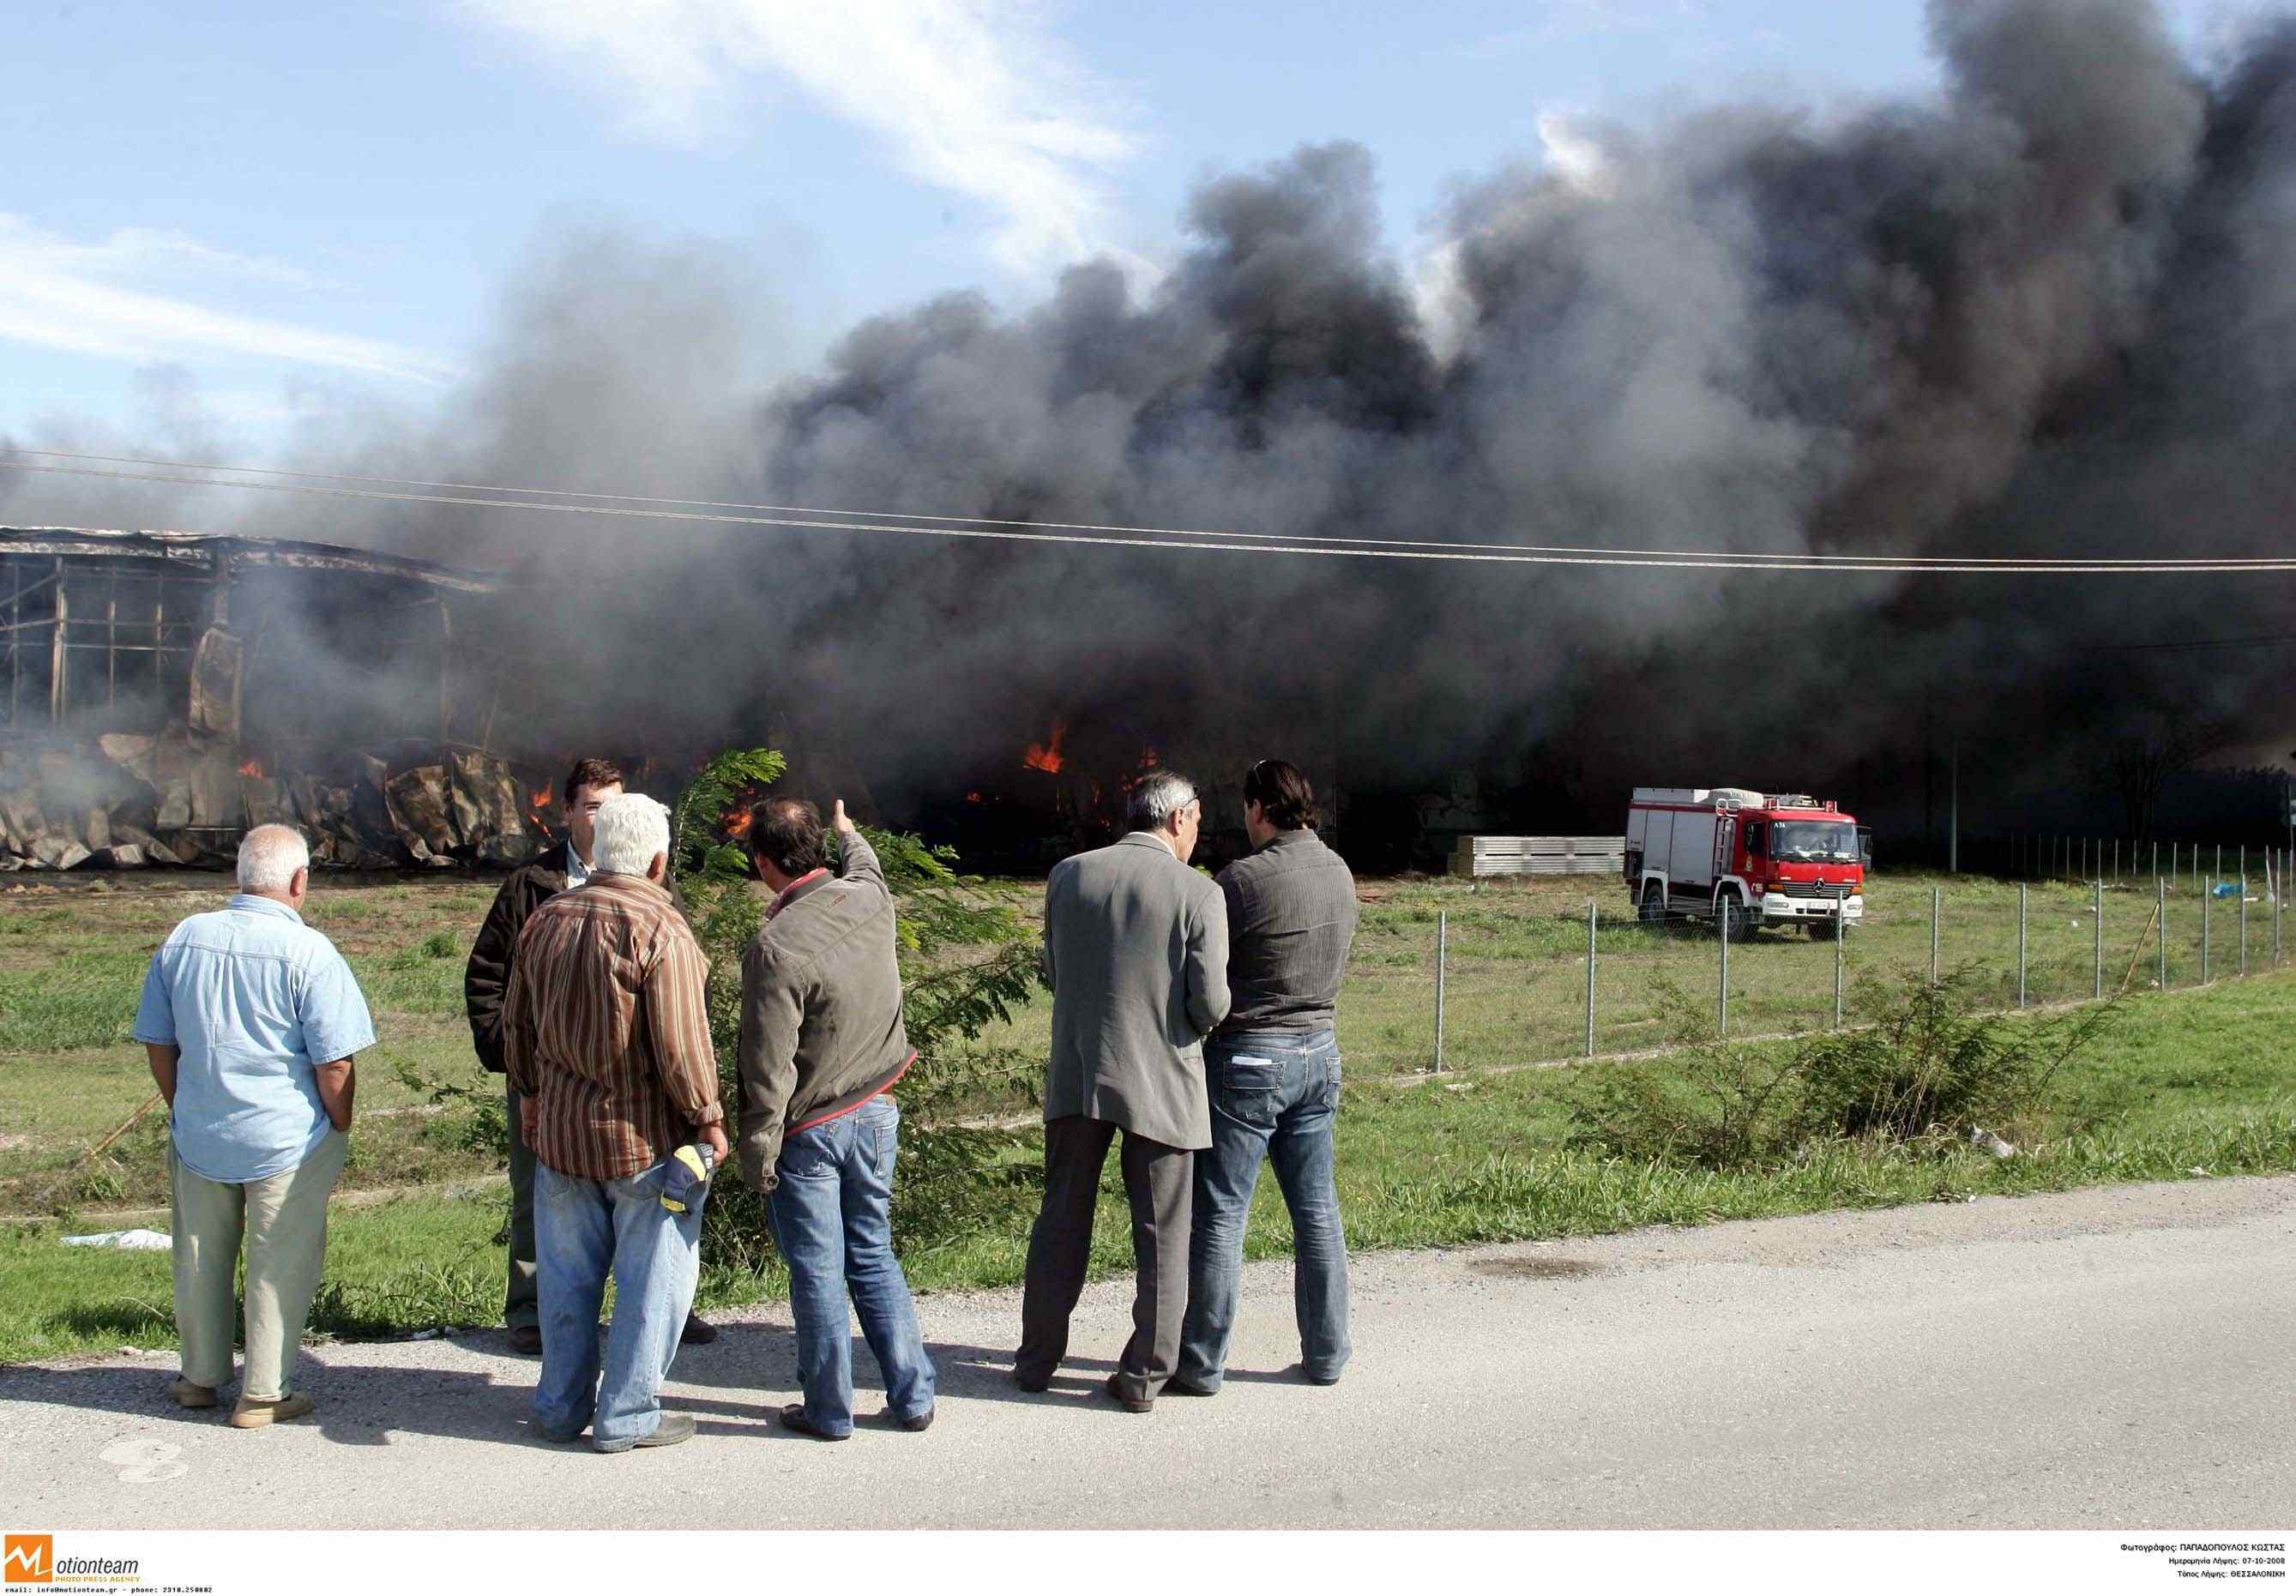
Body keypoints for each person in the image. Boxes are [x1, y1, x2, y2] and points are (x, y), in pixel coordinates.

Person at [502, 792, 726, 1452]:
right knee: (654, 1279)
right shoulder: (661, 929)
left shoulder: (545, 918)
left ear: (597, 852)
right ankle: (628, 1415)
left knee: (565, 1282)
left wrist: (531, 1096)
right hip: (645, 1143)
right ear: (658, 860)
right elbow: (682, 1045)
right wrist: (708, 1119)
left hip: (562, 1138)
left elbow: (516, 1023)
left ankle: (559, 1408)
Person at [464, 756, 713, 1352]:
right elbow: (489, 975)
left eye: (616, 805)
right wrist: (510, 1055)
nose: (606, 818)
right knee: (541, 1193)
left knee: (651, 1194)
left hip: (632, 1078)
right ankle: (532, 1309)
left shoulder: (656, 884)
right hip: (545, 1072)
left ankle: (656, 1308)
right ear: (568, 811)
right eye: (595, 806)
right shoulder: (531, 885)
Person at [132, 823, 375, 1429]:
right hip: (285, 1137)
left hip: (199, 1130)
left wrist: (182, 1102)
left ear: (239, 875)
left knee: (198, 1256)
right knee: (278, 1260)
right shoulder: (310, 951)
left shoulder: (185, 937)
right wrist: (339, 1123)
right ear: (299, 881)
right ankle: (264, 1392)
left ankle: (198, 1377)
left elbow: (159, 1044)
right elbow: (336, 1062)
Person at [1015, 769, 1229, 1412]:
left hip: (1079, 1071)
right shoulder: (1198, 892)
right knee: (1162, 1232)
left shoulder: (1068, 874)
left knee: (1060, 1218)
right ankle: (1142, 1376)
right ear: (1177, 818)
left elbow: (1053, 969)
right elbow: (1212, 1000)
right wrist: (1185, 1025)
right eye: (1195, 817)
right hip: (1162, 1077)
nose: (1197, 830)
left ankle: (1034, 1360)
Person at [735, 797, 937, 1440]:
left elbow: (767, 1067)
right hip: (878, 1111)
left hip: (812, 1129)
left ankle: (828, 1409)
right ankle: (913, 1396)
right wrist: (850, 832)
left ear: (763, 862)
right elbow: (867, 861)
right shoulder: (871, 899)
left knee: (818, 1269)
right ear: (819, 848)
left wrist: (756, 1152)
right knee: (872, 1250)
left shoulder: (775, 945)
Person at [1173, 759, 1359, 1394]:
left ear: (1258, 808)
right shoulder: (1338, 869)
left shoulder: (1240, 881)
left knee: (1222, 1212)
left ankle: (1200, 1363)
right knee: (1316, 1211)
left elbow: (1204, 972)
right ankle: (1327, 1354)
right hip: (1321, 1050)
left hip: (1251, 1056)